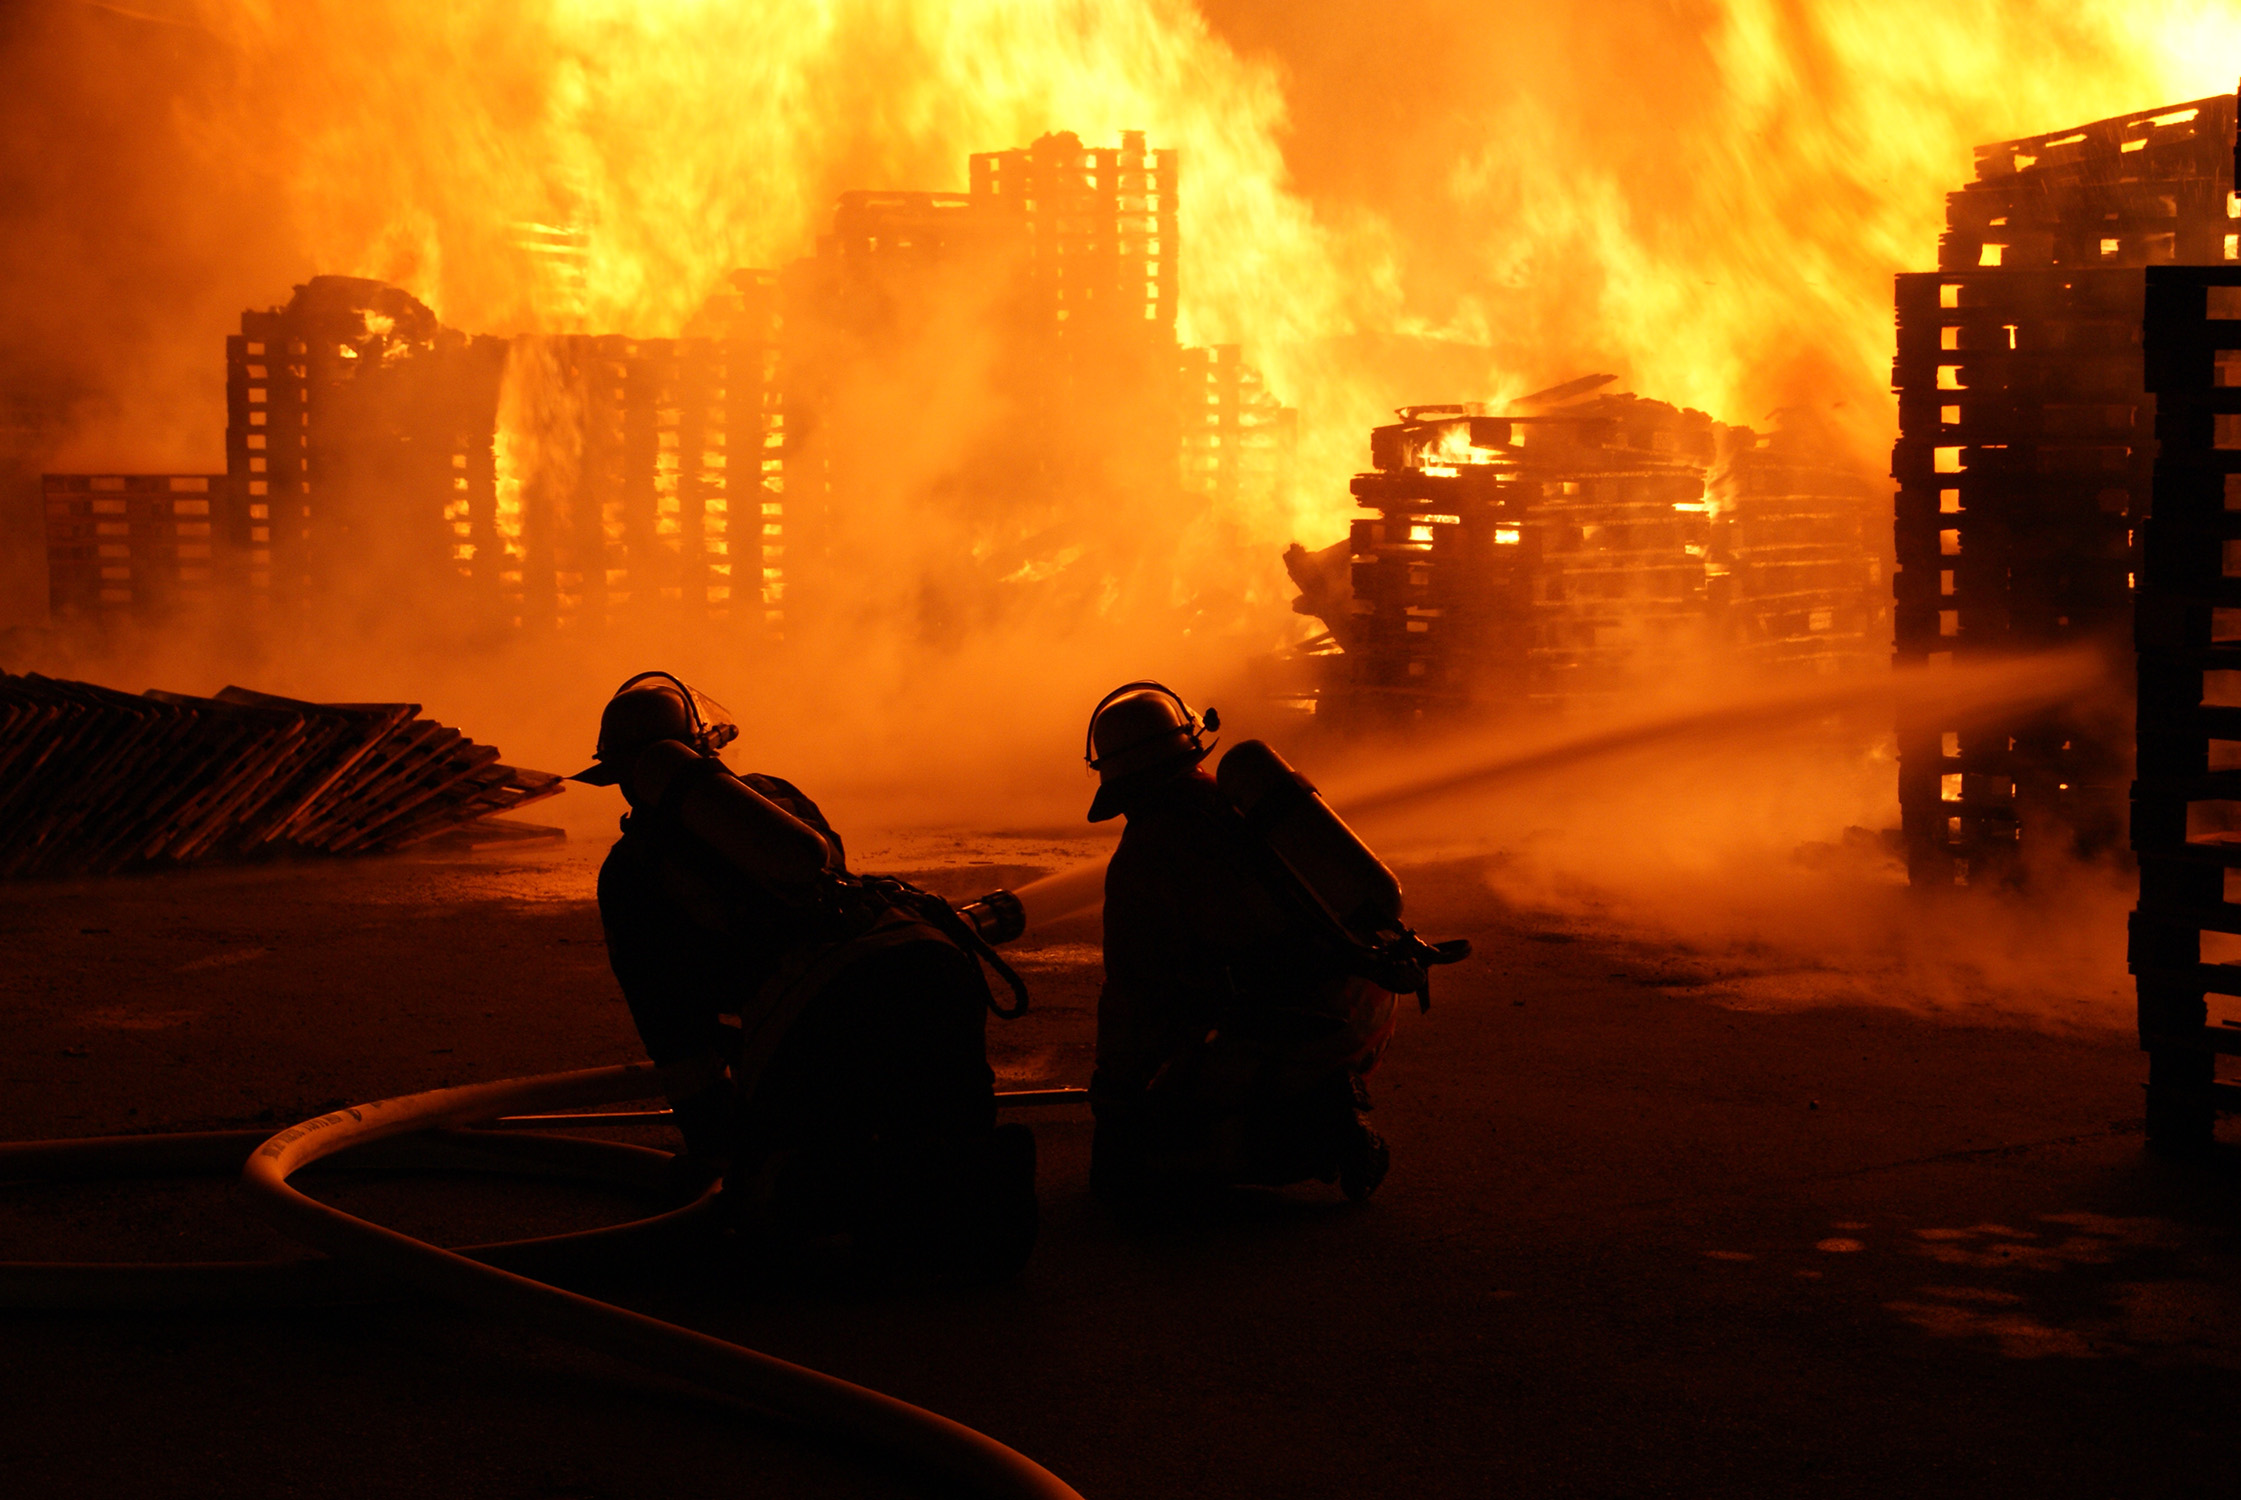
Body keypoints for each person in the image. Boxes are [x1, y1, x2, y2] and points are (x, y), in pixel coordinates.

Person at [573, 671, 1035, 1284]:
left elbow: (672, 1029)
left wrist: (718, 1157)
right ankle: (981, 1187)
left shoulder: (630, 872)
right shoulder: (778, 797)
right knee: (938, 1122)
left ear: (621, 776)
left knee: (777, 1190)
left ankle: (903, 1217)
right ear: (707, 746)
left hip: (817, 1008)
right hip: (930, 961)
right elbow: (828, 879)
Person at [1083, 681, 1396, 1206]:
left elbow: (1134, 997)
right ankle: (1309, 1094)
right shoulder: (1242, 805)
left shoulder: (1147, 856)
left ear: (1121, 781)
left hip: (1303, 1032)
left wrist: (1116, 1096)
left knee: (1138, 1163)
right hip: (1366, 1004)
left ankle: (1322, 1129)